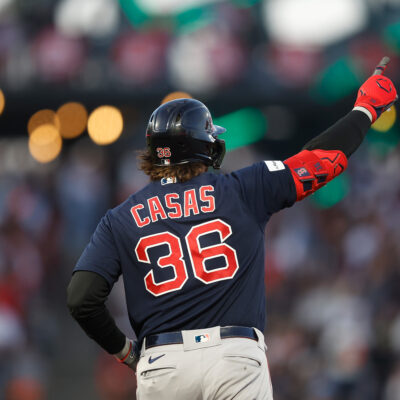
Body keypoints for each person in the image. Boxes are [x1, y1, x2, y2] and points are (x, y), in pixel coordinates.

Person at [67, 59, 397, 400]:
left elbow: (81, 298)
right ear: (203, 146)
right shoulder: (244, 188)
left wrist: (125, 351)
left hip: (162, 364)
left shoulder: (121, 217)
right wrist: (365, 110)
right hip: (233, 358)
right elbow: (322, 160)